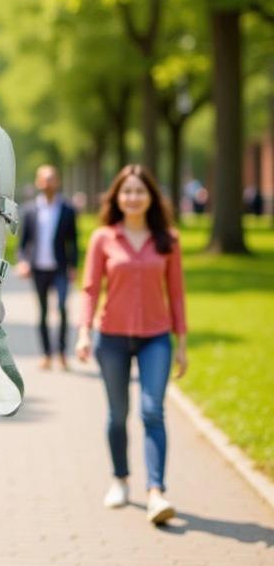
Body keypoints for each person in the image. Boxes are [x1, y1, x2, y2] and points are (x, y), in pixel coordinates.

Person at [75, 164, 188, 525]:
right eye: (127, 191)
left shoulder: (167, 239)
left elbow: (177, 295)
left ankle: (156, 492)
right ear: (117, 197)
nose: (133, 197)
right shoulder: (103, 238)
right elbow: (91, 288)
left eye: (140, 191)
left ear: (151, 197)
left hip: (156, 337)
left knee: (153, 411)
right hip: (112, 338)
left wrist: (181, 343)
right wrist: (83, 332)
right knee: (117, 414)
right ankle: (120, 480)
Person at [16, 165, 79, 370]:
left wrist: (74, 266)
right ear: (38, 182)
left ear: (58, 182)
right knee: (42, 312)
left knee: (61, 307)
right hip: (38, 268)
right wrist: (23, 262)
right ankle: (46, 354)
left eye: (52, 178)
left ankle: (61, 352)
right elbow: (23, 243)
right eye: (44, 179)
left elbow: (73, 241)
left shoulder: (68, 209)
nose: (48, 183)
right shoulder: (30, 210)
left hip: (60, 268)